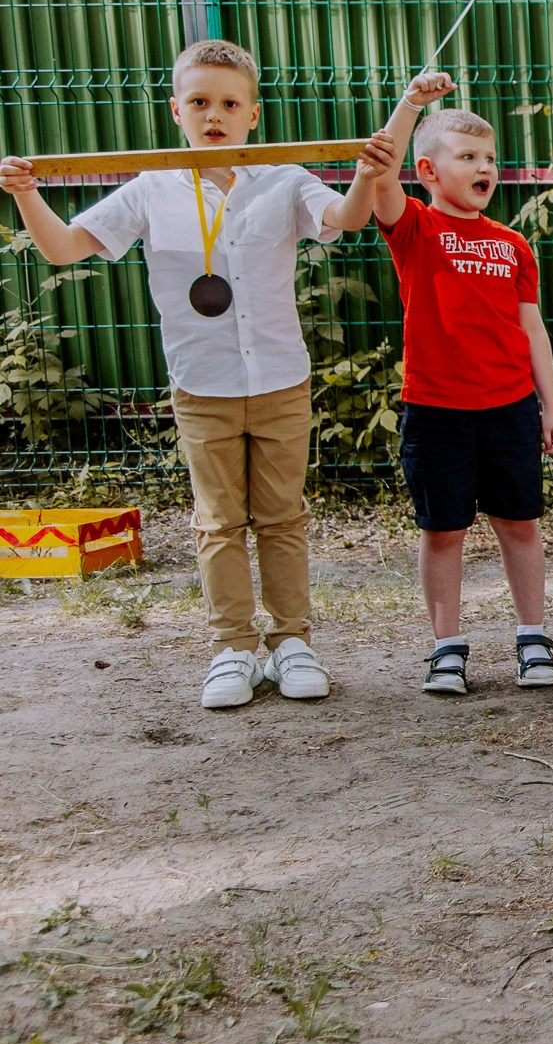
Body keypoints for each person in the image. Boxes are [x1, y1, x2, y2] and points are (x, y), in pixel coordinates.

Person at [0, 39, 397, 709]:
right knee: (217, 522)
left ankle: (291, 642)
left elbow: (344, 218)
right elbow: (64, 248)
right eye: (200, 102)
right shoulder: (151, 189)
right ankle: (233, 648)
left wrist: (366, 176)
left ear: (254, 115)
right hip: (201, 385)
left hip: (279, 379)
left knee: (283, 516)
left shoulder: (284, 178)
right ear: (176, 110)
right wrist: (26, 195)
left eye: (229, 103)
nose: (215, 114)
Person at [371, 79, 553, 695]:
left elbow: (531, 327)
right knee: (443, 531)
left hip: (509, 409)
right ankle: (447, 648)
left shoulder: (512, 245)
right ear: (427, 170)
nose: (484, 166)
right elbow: (380, 177)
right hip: (435, 411)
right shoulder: (415, 229)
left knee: (520, 525)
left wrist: (551, 405)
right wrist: (411, 106)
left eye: (489, 157)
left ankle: (533, 639)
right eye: (467, 156)